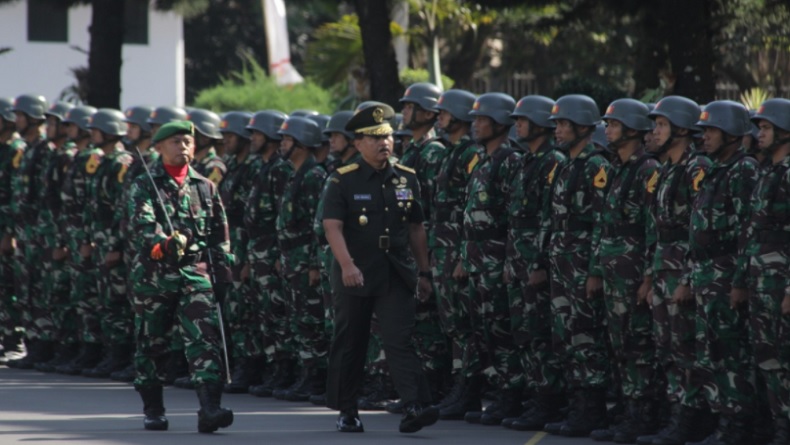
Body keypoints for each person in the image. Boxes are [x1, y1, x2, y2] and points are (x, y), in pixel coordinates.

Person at [322, 101, 439, 434]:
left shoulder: (407, 178)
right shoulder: (342, 180)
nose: (383, 143)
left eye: (387, 136)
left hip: (394, 270)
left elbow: (417, 229)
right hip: (356, 269)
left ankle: (414, 405)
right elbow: (333, 227)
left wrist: (424, 272)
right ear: (358, 144)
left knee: (400, 339)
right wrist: (346, 265)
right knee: (351, 341)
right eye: (374, 138)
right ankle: (347, 410)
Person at [128, 120, 234, 433]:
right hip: (155, 277)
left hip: (195, 275)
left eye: (188, 141)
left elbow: (219, 233)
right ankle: (153, 408)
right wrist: (163, 242)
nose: (184, 146)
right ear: (158, 147)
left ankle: (210, 408)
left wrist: (224, 272)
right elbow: (142, 227)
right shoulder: (145, 184)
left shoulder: (205, 185)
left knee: (205, 340)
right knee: (151, 343)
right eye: (176, 141)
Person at [679, 101, 758, 445]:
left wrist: (739, 281)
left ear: (731, 134)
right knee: (710, 351)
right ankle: (721, 421)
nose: (705, 136)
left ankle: (738, 426)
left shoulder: (744, 171)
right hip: (707, 273)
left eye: (711, 131)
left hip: (726, 274)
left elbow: (747, 232)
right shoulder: (715, 169)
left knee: (731, 354)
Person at [541, 94, 612, 437]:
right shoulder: (567, 164)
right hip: (562, 260)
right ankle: (576, 404)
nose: (557, 129)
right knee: (565, 336)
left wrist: (596, 270)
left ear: (584, 126)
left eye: (564, 124)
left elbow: (602, 223)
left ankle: (592, 409)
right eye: (556, 123)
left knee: (585, 335)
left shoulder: (597, 166)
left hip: (582, 262)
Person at [592, 98, 661, 443]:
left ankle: (642, 415)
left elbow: (653, 229)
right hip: (614, 273)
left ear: (633, 129)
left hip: (633, 274)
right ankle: (625, 410)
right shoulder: (617, 168)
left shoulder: (647, 169)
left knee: (637, 346)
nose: (607, 129)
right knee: (618, 344)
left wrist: (648, 277)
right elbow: (604, 225)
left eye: (614, 124)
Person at [502, 95, 569, 431]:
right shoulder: (526, 161)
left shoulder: (551, 161)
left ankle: (548, 400)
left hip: (536, 262)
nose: (517, 125)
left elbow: (548, 216)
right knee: (523, 331)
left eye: (522, 120)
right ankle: (534, 394)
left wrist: (539, 262)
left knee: (541, 332)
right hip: (519, 259)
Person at [741, 98, 790, 445]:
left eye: (767, 128)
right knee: (766, 356)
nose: (759, 134)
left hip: (780, 282)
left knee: (784, 357)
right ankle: (776, 425)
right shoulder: (766, 171)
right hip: (760, 281)